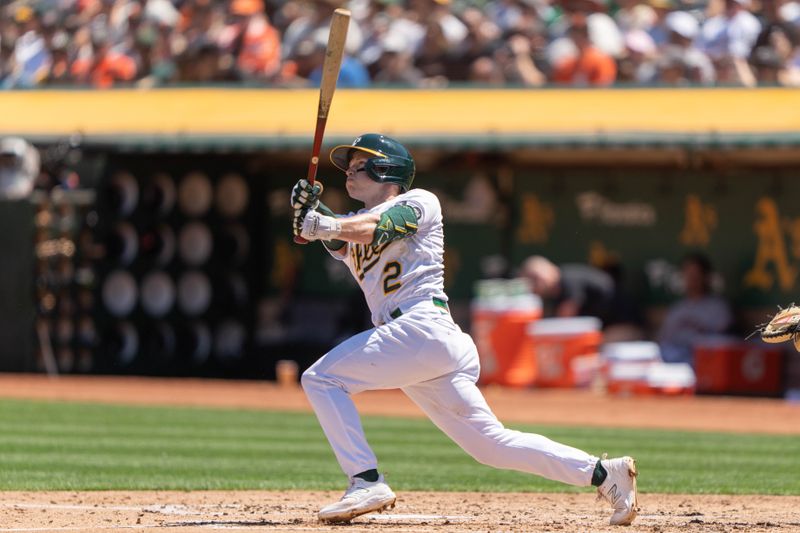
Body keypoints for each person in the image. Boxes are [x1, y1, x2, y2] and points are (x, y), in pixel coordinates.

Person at [291, 134, 639, 526]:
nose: (349, 174)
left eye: (358, 166)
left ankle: (366, 480)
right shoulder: (353, 227)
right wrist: (310, 212)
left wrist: (323, 222)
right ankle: (603, 473)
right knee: (490, 446)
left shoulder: (419, 201)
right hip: (423, 344)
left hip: (421, 327)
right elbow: (340, 239)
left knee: (320, 379)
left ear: (384, 168)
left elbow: (378, 227)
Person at [657, 252, 734, 364]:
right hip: (676, 364)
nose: (692, 279)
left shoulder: (719, 307)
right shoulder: (677, 309)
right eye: (688, 274)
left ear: (706, 277)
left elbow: (724, 341)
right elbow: (664, 341)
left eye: (696, 275)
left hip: (706, 362)